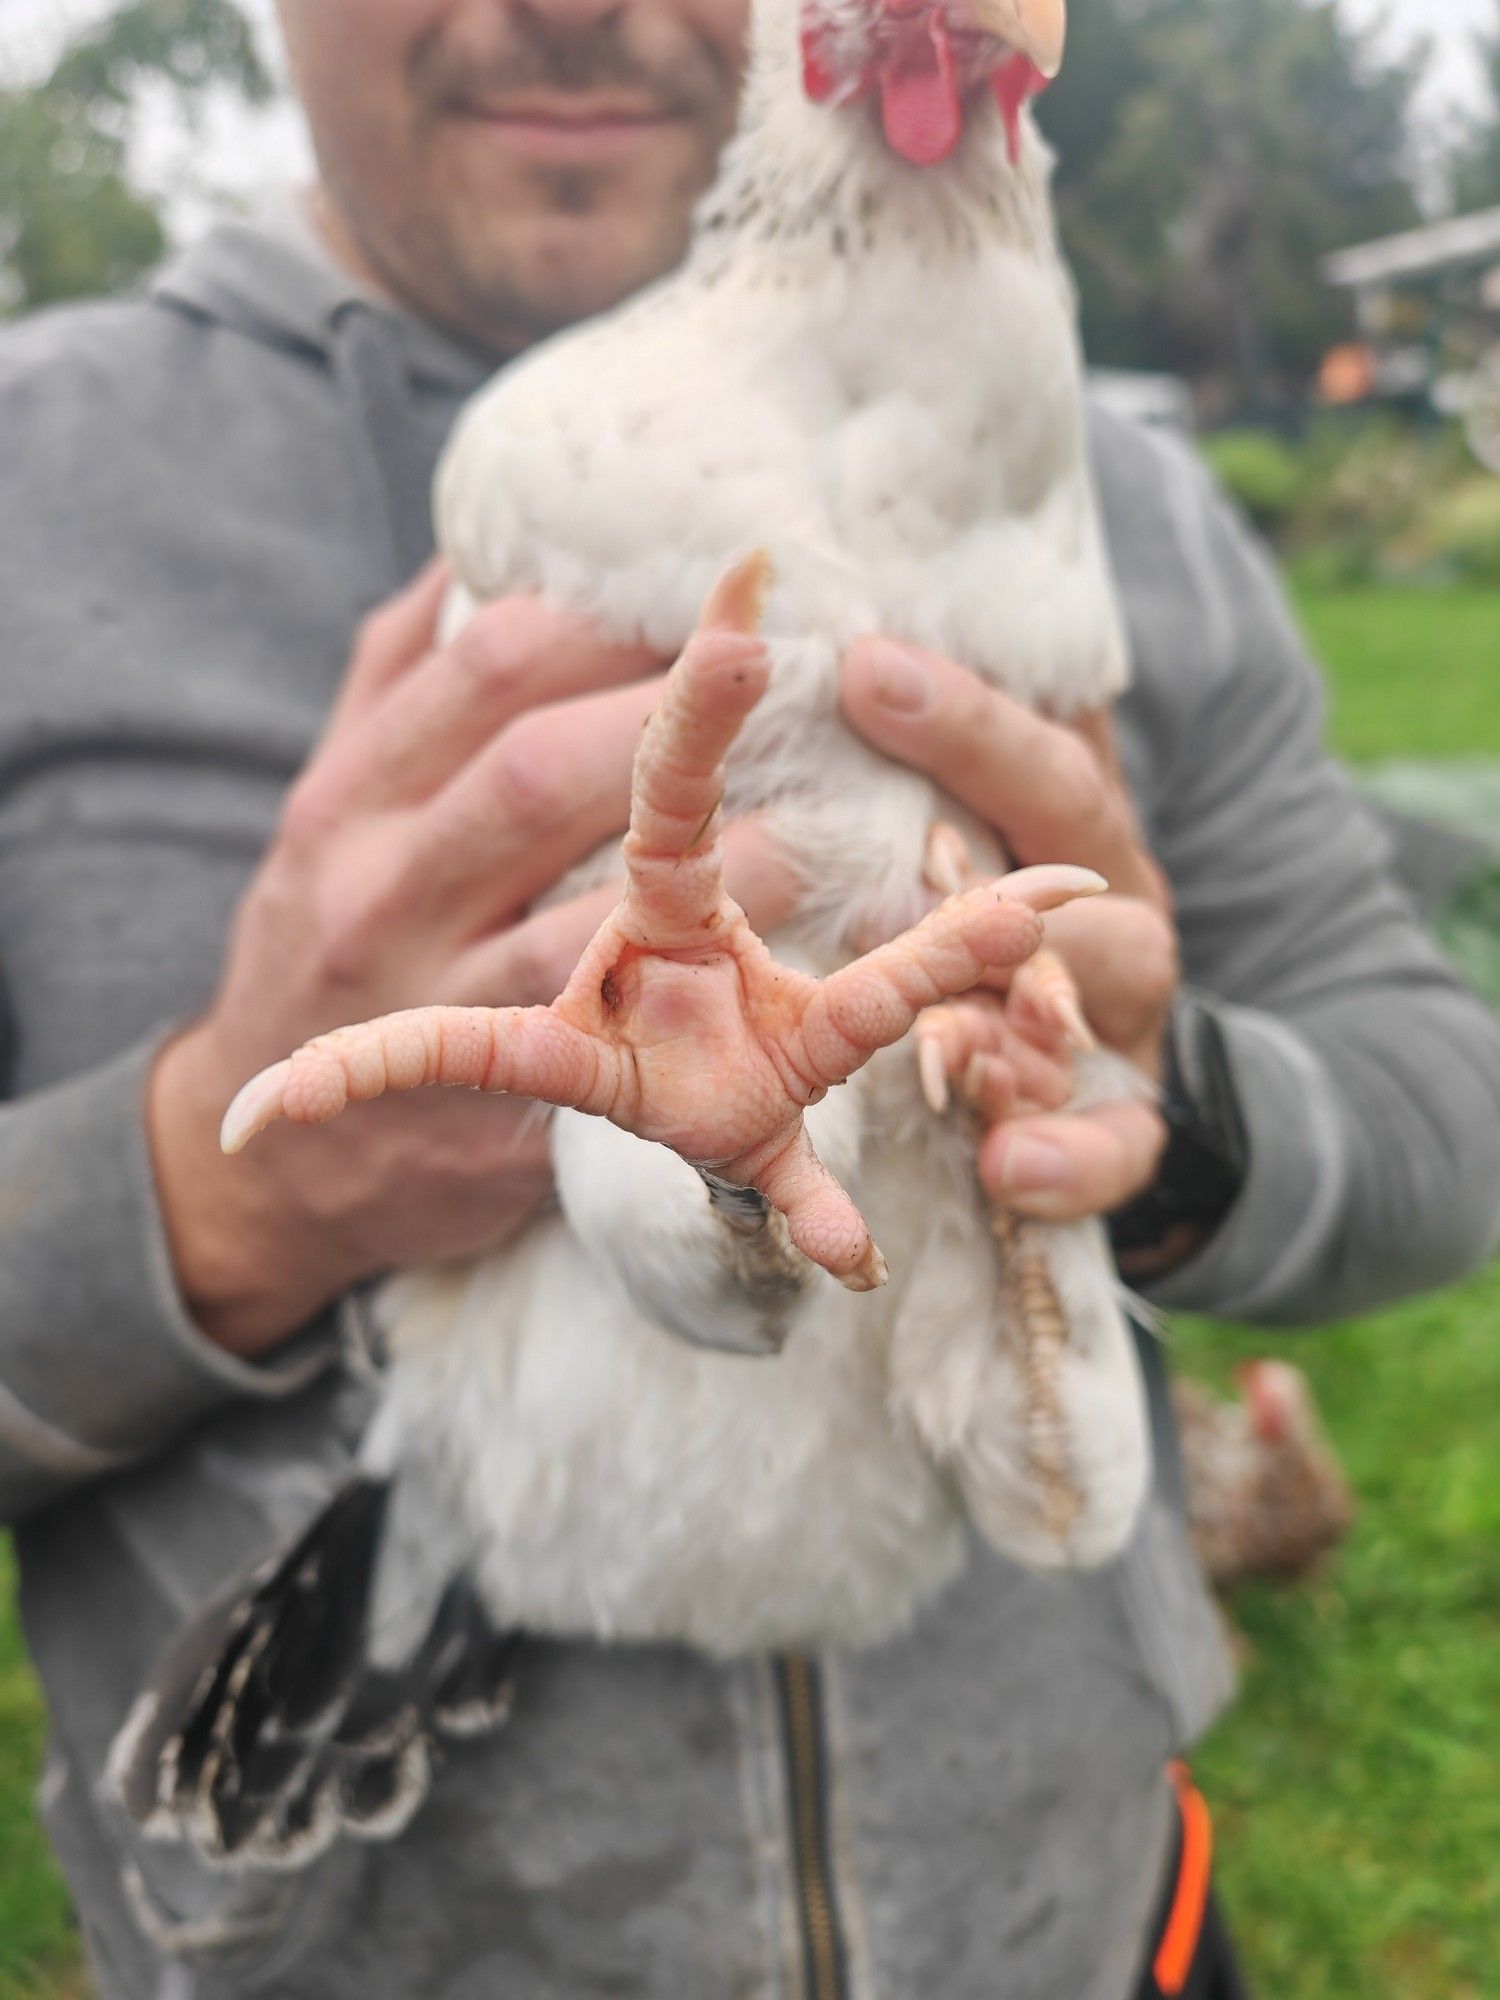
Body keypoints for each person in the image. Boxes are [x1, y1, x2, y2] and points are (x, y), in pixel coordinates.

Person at [1, 1, 1497, 1995]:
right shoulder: (32, 494)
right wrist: (220, 1186)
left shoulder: (1103, 507)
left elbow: (1440, 1096)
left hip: (1081, 1933)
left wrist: (1165, 1097)